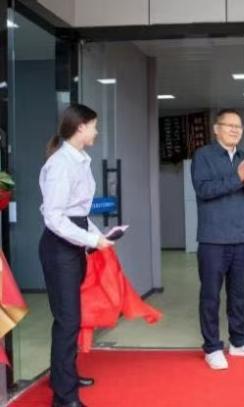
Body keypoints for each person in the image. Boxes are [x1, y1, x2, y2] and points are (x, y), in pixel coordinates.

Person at [39, 104, 114, 407]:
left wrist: (99, 235)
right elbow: (54, 218)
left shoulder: (80, 160)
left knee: (70, 318)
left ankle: (63, 376)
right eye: (94, 125)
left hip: (73, 245)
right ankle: (64, 396)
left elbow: (78, 213)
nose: (97, 131)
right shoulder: (60, 164)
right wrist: (91, 239)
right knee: (67, 320)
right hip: (59, 250)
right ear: (80, 126)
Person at [191, 108, 244, 370]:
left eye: (239, 126)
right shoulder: (203, 156)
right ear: (216, 129)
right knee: (210, 296)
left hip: (241, 237)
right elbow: (204, 189)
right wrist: (238, 177)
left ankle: (240, 341)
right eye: (229, 125)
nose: (235, 130)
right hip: (213, 239)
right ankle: (212, 347)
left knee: (239, 295)